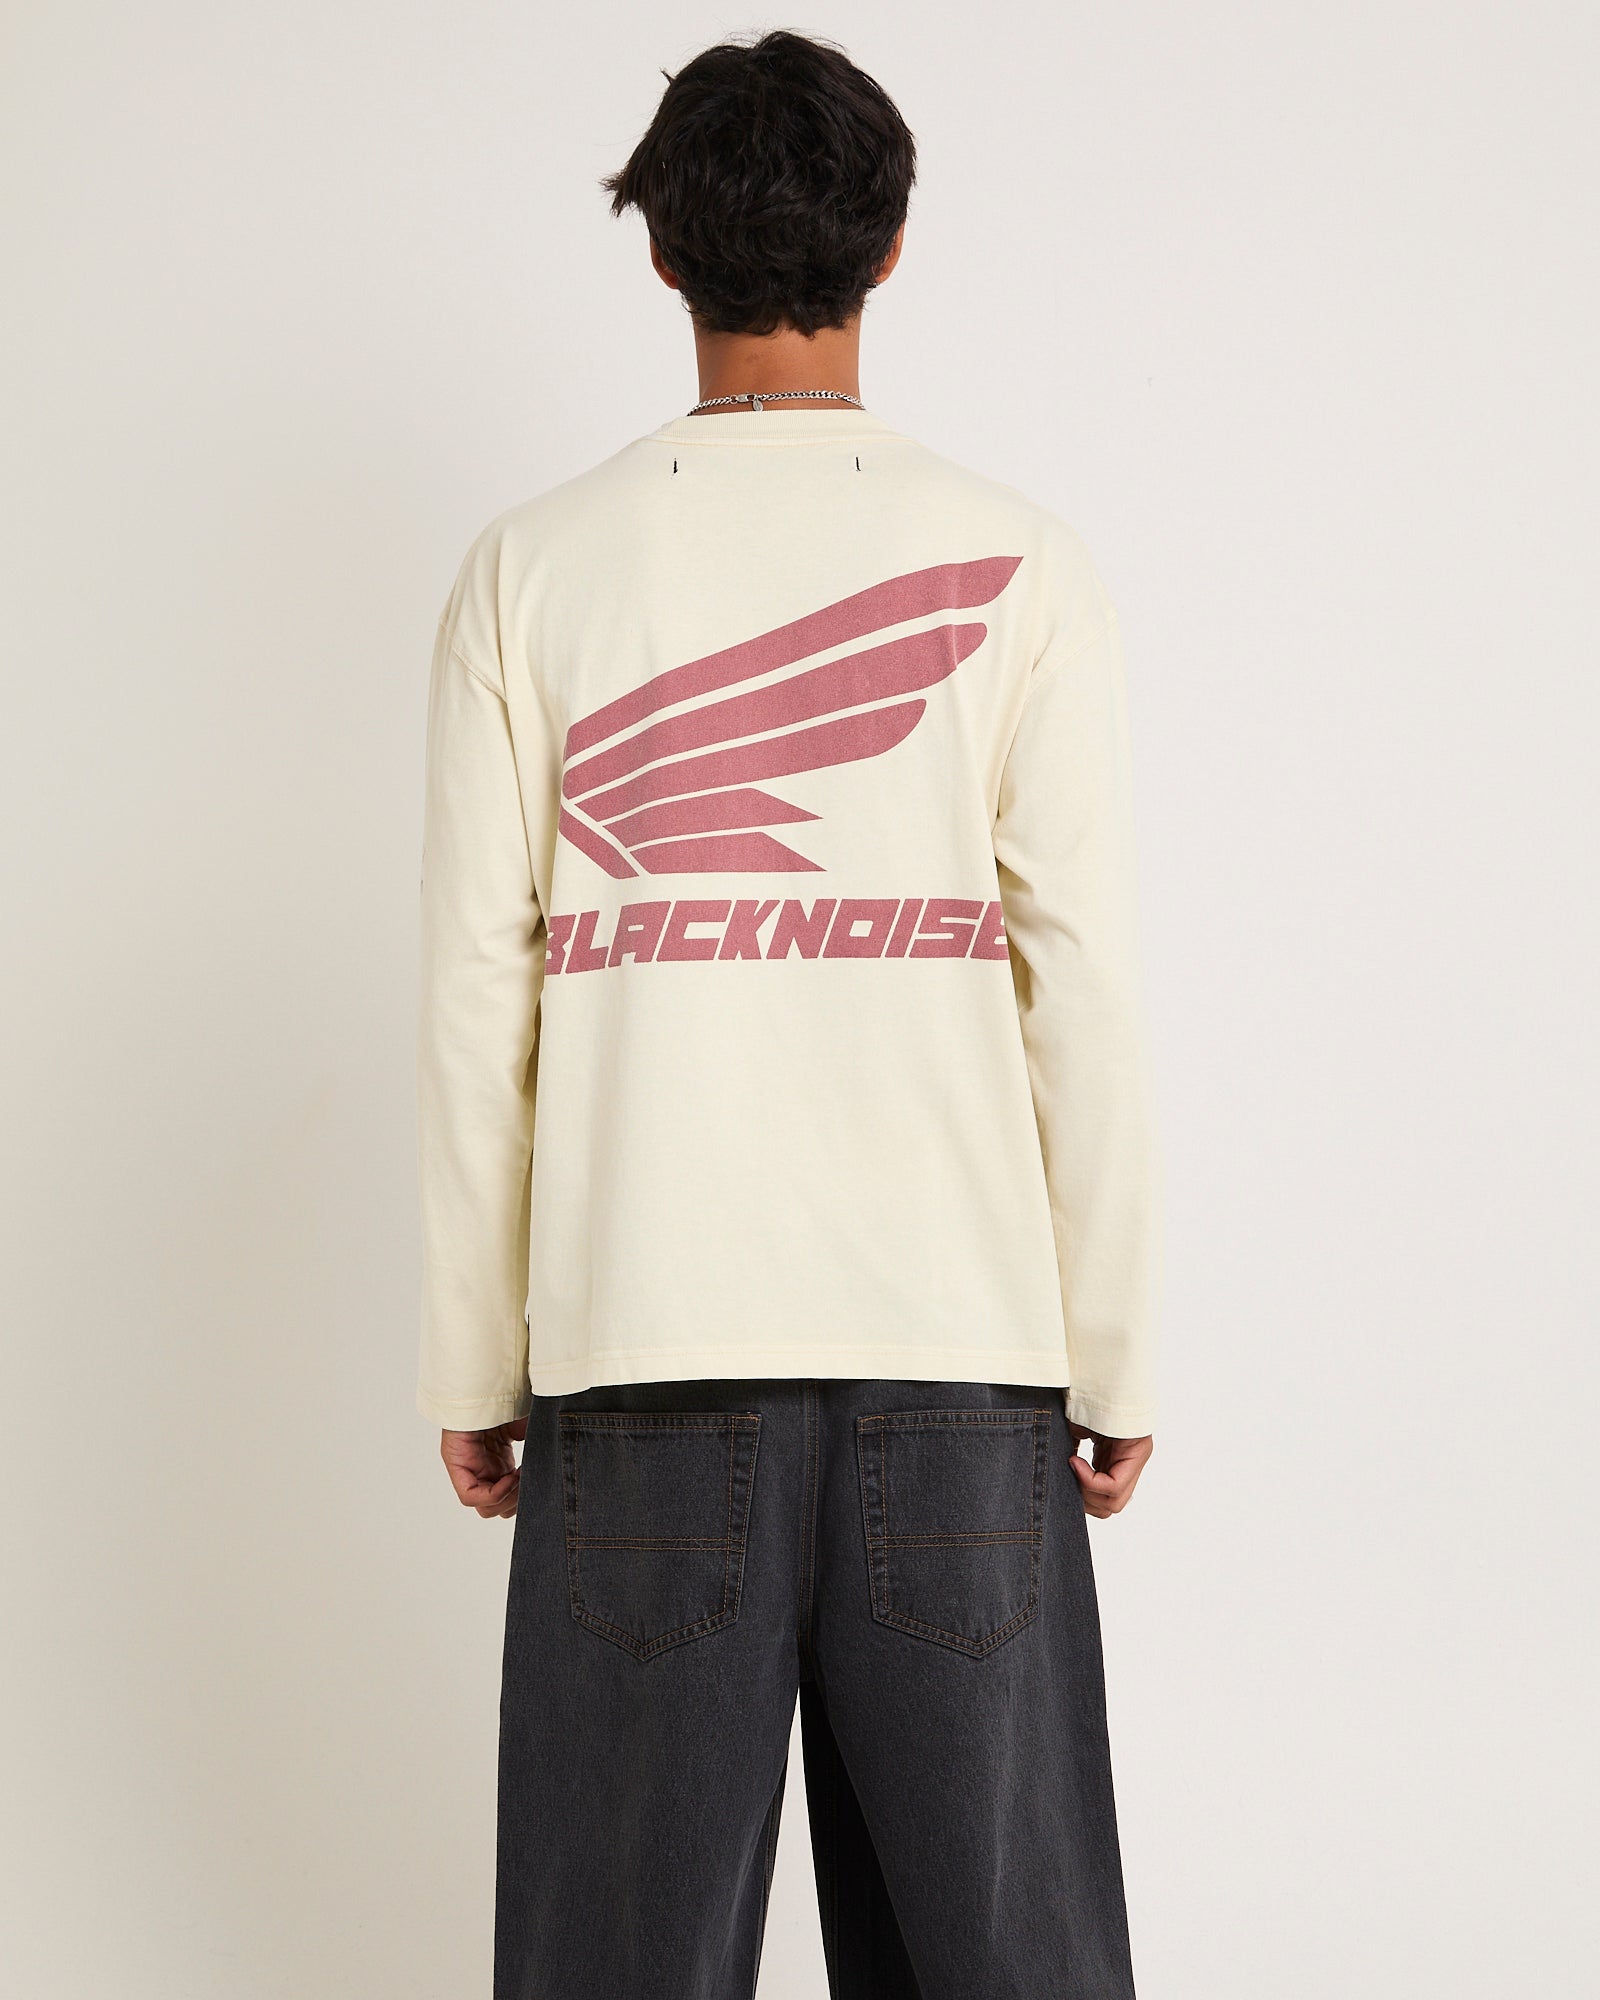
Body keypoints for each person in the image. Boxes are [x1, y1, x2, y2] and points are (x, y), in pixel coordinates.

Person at [416, 30, 1161, 1999]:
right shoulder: (1019, 566)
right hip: (962, 1374)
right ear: (890, 247)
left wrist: (473, 1352)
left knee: (612, 1963)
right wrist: (1112, 1344)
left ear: (661, 253)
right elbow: (1079, 981)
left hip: (639, 1364)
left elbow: (478, 997)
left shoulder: (530, 575)